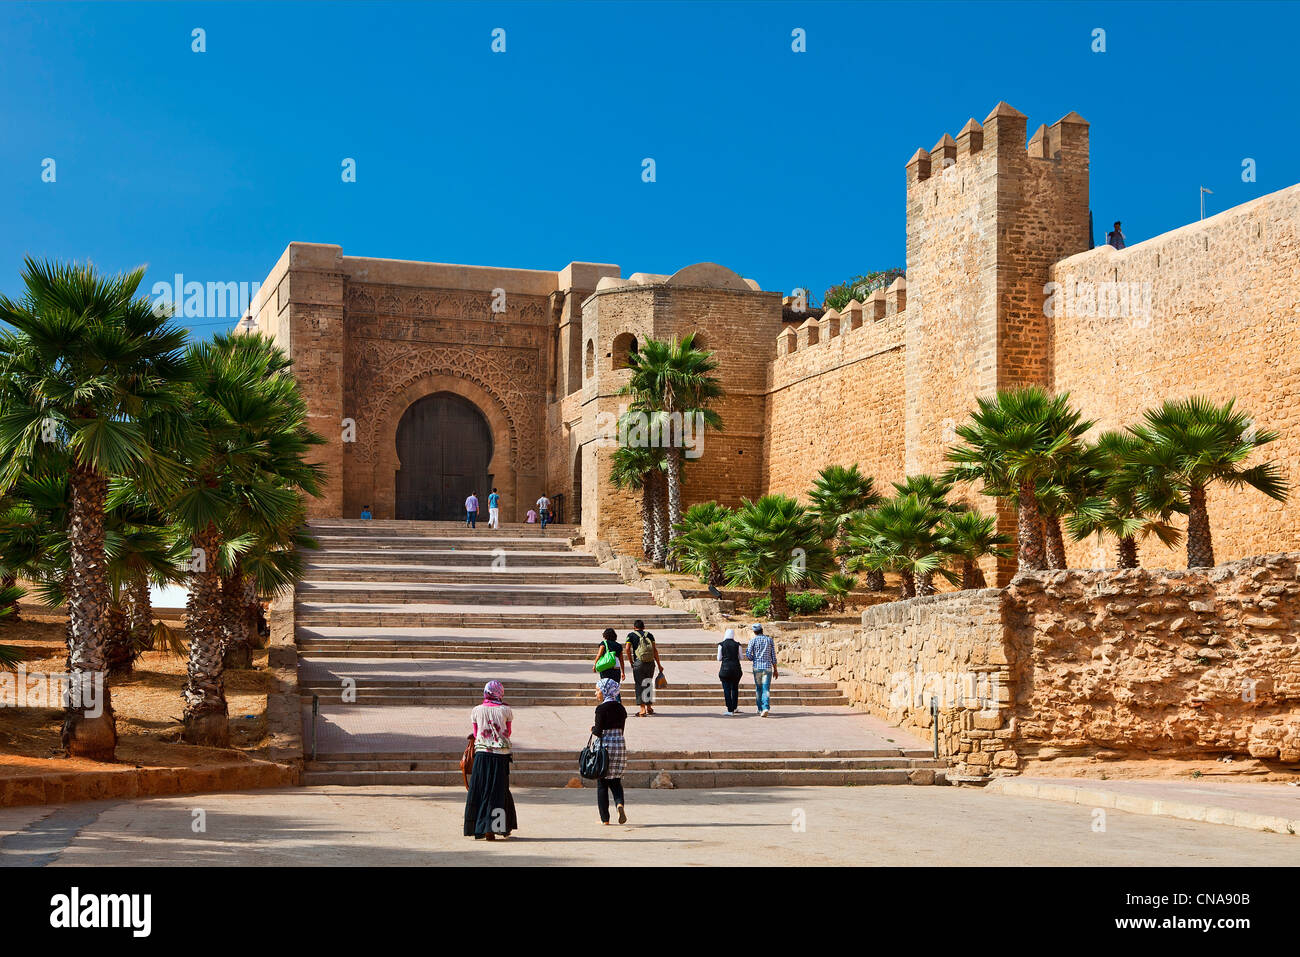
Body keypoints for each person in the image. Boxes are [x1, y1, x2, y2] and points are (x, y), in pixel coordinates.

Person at [463, 680, 517, 840]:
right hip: (500, 757)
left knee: (480, 790)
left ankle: (480, 828)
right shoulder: (506, 710)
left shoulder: (476, 710)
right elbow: (508, 732)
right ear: (500, 693)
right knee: (498, 792)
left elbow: (476, 732)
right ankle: (496, 828)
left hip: (482, 755)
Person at [592, 677, 628, 825]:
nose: (596, 693)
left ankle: (605, 819)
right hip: (619, 745)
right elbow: (622, 729)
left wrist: (593, 729)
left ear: (605, 691)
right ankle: (619, 804)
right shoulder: (621, 708)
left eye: (597, 690)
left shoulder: (601, 709)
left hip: (604, 748)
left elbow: (598, 731)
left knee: (602, 783)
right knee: (616, 781)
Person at [624, 619, 662, 718]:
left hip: (638, 662)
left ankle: (642, 709)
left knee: (639, 685)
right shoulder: (650, 635)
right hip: (650, 663)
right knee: (648, 683)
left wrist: (631, 661)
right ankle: (649, 707)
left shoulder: (631, 635)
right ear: (644, 627)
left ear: (634, 627)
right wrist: (659, 664)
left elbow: (627, 648)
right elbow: (654, 650)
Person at [744, 623, 778, 716]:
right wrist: (775, 669)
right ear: (762, 630)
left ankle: (760, 708)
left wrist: (753, 658)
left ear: (754, 632)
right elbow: (773, 656)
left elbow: (748, 654)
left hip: (757, 667)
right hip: (767, 667)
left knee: (758, 688)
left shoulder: (753, 641)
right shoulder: (769, 640)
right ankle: (765, 707)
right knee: (766, 689)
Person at [717, 627, 743, 716]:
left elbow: (718, 658)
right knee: (735, 688)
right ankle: (735, 707)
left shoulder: (721, 645)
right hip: (736, 669)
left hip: (725, 669)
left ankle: (729, 709)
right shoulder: (737, 645)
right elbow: (741, 657)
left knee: (727, 689)